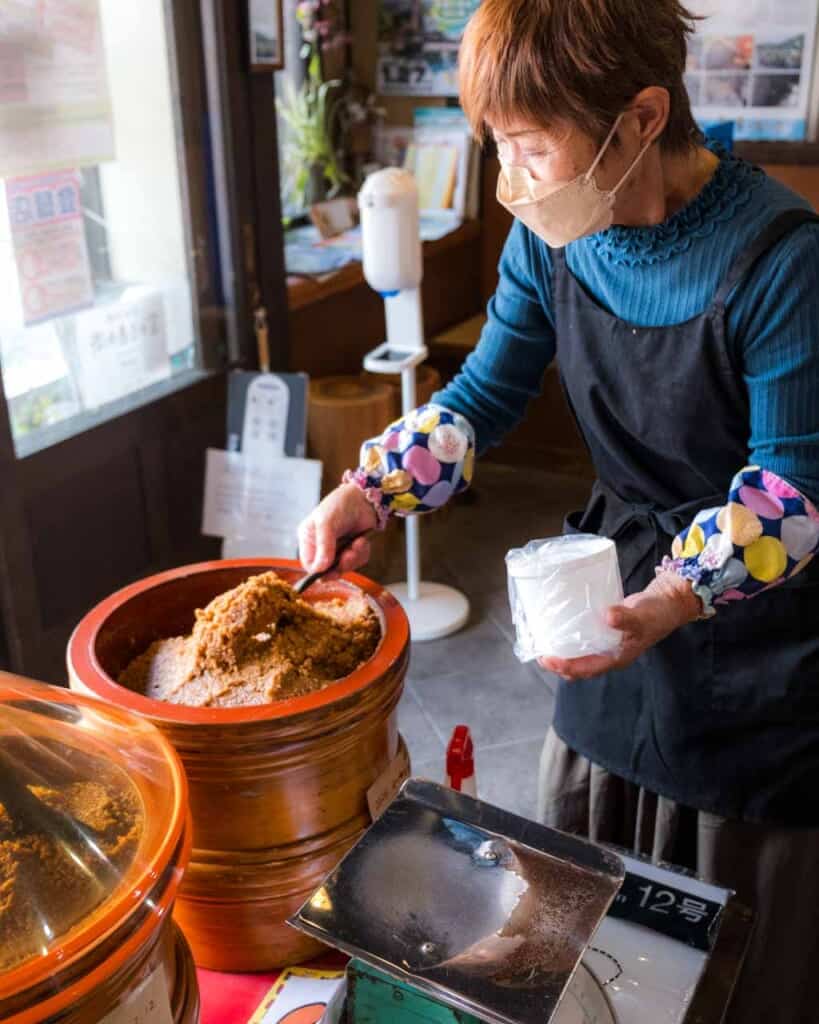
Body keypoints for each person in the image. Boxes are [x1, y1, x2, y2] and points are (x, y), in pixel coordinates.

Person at [297, 2, 819, 1018]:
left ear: (640, 117)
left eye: (531, 147)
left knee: (733, 942)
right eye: (499, 146)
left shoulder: (783, 259)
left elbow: (790, 496)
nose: (512, 180)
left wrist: (675, 598)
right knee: (588, 900)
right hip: (610, 590)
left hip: (759, 635)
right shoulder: (554, 237)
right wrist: (372, 490)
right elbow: (481, 396)